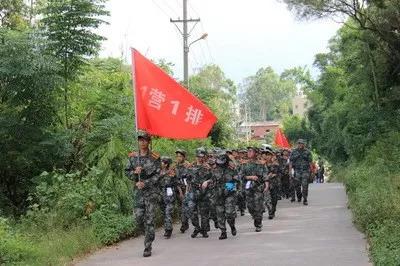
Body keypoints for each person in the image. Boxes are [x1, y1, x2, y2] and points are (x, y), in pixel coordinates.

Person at [125, 131, 160, 257]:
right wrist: (135, 172)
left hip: (151, 192)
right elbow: (127, 172)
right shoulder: (133, 157)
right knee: (138, 218)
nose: (142, 142)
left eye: (144, 140)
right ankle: (148, 233)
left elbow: (158, 175)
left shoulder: (155, 157)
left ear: (148, 141)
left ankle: (148, 246)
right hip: (138, 192)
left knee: (149, 219)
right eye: (140, 140)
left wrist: (146, 183)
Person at [240, 147, 269, 232]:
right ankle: (255, 216)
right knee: (250, 207)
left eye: (250, 151)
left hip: (258, 187)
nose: (248, 153)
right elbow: (240, 175)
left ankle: (258, 224)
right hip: (248, 187)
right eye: (248, 151)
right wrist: (250, 177)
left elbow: (265, 174)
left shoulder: (261, 163)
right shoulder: (244, 164)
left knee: (258, 206)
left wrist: (266, 184)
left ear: (256, 153)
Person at [212, 151, 239, 240]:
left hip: (229, 194)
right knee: (220, 214)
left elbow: (237, 182)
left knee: (229, 213)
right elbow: (212, 181)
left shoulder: (232, 170)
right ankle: (223, 231)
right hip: (218, 194)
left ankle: (232, 226)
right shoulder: (215, 171)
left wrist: (229, 188)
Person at [188, 147, 213, 238]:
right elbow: (188, 179)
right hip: (193, 191)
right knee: (191, 210)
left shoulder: (207, 167)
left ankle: (204, 230)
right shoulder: (191, 167)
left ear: (204, 157)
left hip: (204, 192)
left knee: (204, 213)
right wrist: (187, 190)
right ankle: (197, 227)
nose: (200, 158)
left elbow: (214, 178)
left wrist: (207, 181)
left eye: (202, 156)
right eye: (198, 156)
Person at [159, 156, 181, 239]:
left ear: (166, 164)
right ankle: (167, 227)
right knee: (164, 212)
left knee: (168, 212)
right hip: (160, 194)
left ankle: (168, 230)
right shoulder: (158, 172)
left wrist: (181, 192)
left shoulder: (172, 172)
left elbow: (176, 182)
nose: (160, 163)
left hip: (169, 193)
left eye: (162, 162)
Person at [289, 139, 312, 206]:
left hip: (305, 171)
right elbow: (291, 162)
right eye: (299, 143)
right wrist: (290, 171)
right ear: (297, 144)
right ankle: (299, 195)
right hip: (297, 171)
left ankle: (305, 199)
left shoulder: (307, 152)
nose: (300, 145)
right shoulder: (294, 152)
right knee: (297, 185)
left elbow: (310, 162)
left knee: (305, 185)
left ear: (304, 144)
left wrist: (312, 171)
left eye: (301, 143)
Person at [174, 149, 191, 233]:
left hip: (187, 189)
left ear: (184, 157)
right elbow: (175, 179)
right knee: (181, 207)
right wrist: (180, 191)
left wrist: (187, 191)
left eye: (180, 156)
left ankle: (184, 224)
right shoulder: (175, 166)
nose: (178, 158)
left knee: (184, 207)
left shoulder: (188, 165)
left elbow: (189, 179)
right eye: (177, 156)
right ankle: (185, 222)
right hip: (178, 189)